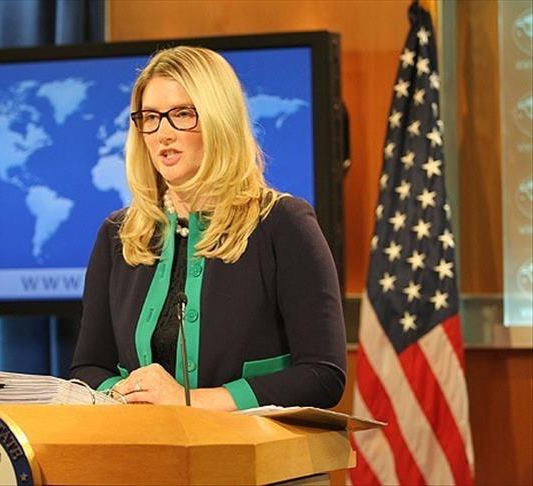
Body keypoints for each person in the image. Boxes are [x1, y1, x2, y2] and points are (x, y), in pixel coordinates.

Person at [70, 46, 346, 411]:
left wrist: (191, 402)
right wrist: (128, 394)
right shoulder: (118, 234)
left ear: (219, 120)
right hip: (143, 442)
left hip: (249, 445)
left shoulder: (283, 223)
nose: (162, 133)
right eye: (150, 118)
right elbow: (88, 367)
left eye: (182, 114)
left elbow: (323, 374)